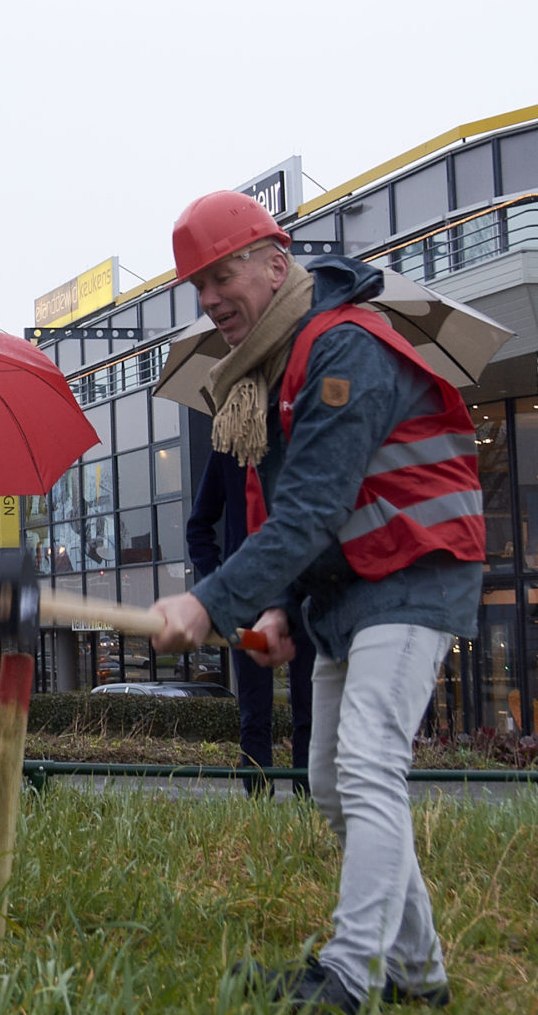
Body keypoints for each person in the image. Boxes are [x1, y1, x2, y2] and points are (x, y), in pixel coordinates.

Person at [149, 190, 480, 1013]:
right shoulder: (272, 373)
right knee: (332, 783)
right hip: (348, 593)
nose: (210, 298)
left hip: (413, 573)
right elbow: (287, 511)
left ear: (274, 261)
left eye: (221, 274)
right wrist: (271, 611)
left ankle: (350, 976)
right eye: (197, 285)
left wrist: (212, 603)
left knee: (367, 769)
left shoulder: (343, 351)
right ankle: (419, 975)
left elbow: (312, 509)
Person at [188, 447, 312, 797]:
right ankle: (259, 805)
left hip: (305, 594)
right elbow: (198, 527)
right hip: (248, 601)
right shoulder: (229, 446)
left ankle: (308, 806)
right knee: (255, 714)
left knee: (311, 709)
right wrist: (225, 584)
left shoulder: (301, 432)